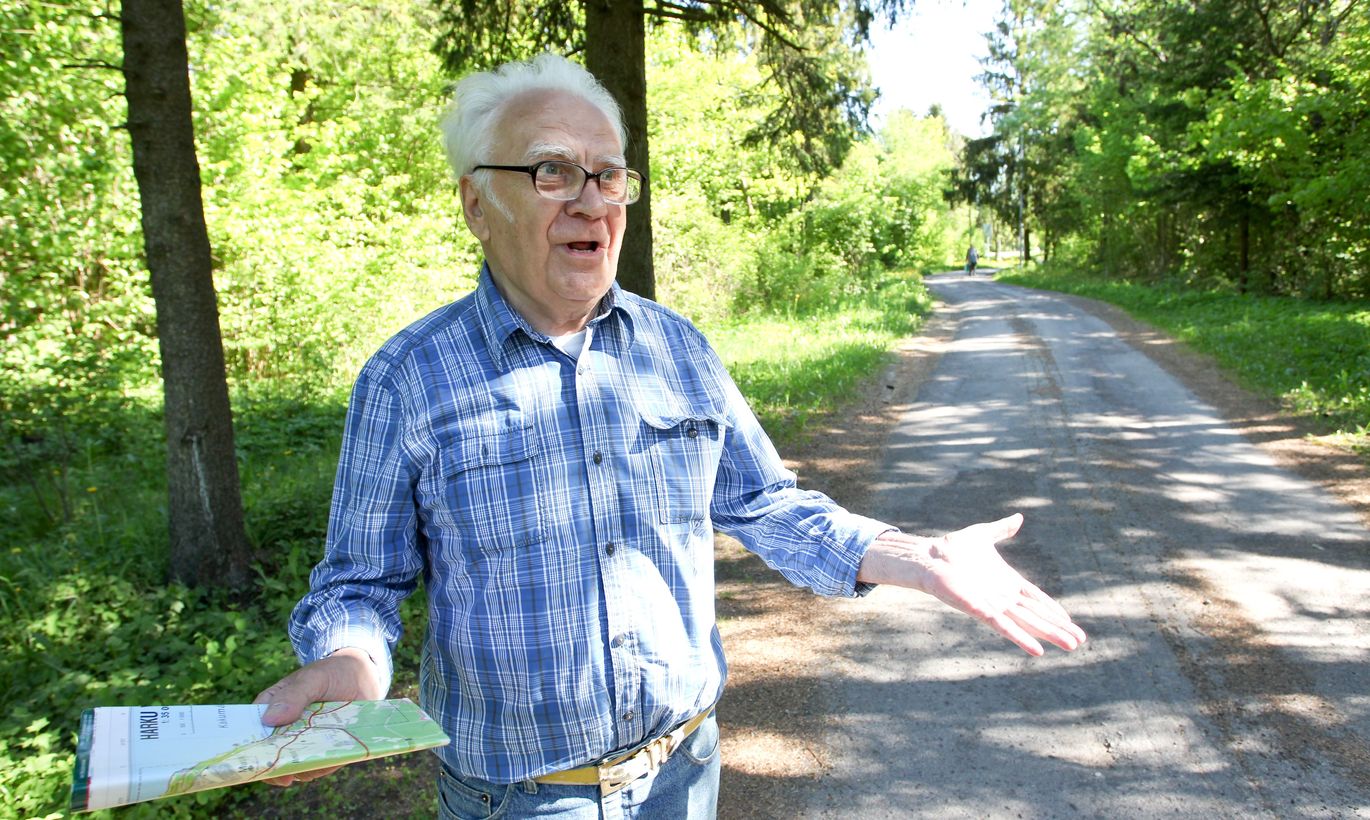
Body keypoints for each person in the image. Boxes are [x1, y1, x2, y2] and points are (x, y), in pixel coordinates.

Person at [254, 54, 1085, 819]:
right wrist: (353, 659)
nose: (591, 201)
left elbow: (765, 503)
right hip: (523, 800)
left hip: (685, 773)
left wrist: (914, 556)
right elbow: (359, 582)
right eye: (552, 171)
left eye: (609, 175)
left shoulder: (676, 348)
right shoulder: (407, 378)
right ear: (478, 204)